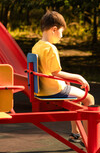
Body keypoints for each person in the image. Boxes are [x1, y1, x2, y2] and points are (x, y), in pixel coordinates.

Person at [32, 10, 95, 145]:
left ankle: (76, 134)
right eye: (61, 32)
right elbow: (55, 72)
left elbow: (46, 70)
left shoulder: (37, 46)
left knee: (75, 100)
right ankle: (90, 139)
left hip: (42, 89)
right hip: (53, 89)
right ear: (54, 29)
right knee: (89, 98)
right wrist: (79, 77)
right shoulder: (50, 48)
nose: (61, 36)